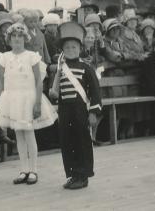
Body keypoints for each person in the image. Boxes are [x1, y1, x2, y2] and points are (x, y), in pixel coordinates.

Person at [0, 23, 57, 186]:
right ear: (9, 39)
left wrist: (37, 102)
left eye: (20, 37)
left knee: (29, 133)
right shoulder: (4, 57)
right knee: (19, 134)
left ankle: (34, 170)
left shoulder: (32, 56)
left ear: (25, 39)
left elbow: (38, 81)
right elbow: (0, 82)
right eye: (13, 37)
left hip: (28, 97)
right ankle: (23, 169)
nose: (17, 39)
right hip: (11, 99)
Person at [50, 21, 101, 190]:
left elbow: (95, 92)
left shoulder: (86, 67)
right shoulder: (61, 69)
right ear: (62, 50)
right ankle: (72, 175)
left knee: (81, 142)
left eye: (74, 47)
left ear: (80, 49)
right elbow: (57, 92)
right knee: (67, 142)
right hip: (65, 111)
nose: (71, 50)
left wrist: (94, 112)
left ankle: (83, 175)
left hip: (80, 111)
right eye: (67, 47)